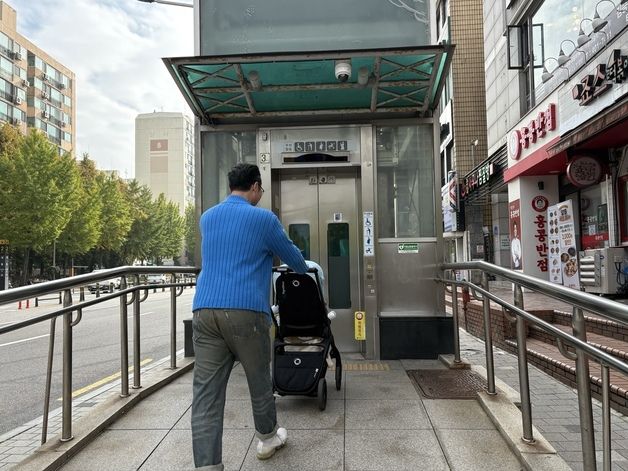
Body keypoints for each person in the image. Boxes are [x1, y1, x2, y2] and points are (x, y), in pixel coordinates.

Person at [191, 163, 308, 470]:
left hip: (204, 310)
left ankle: (207, 466)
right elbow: (294, 256)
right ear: (255, 187)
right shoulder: (263, 218)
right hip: (246, 311)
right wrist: (306, 270)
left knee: (206, 395)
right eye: (261, 190)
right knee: (258, 381)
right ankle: (268, 438)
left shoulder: (207, 218)